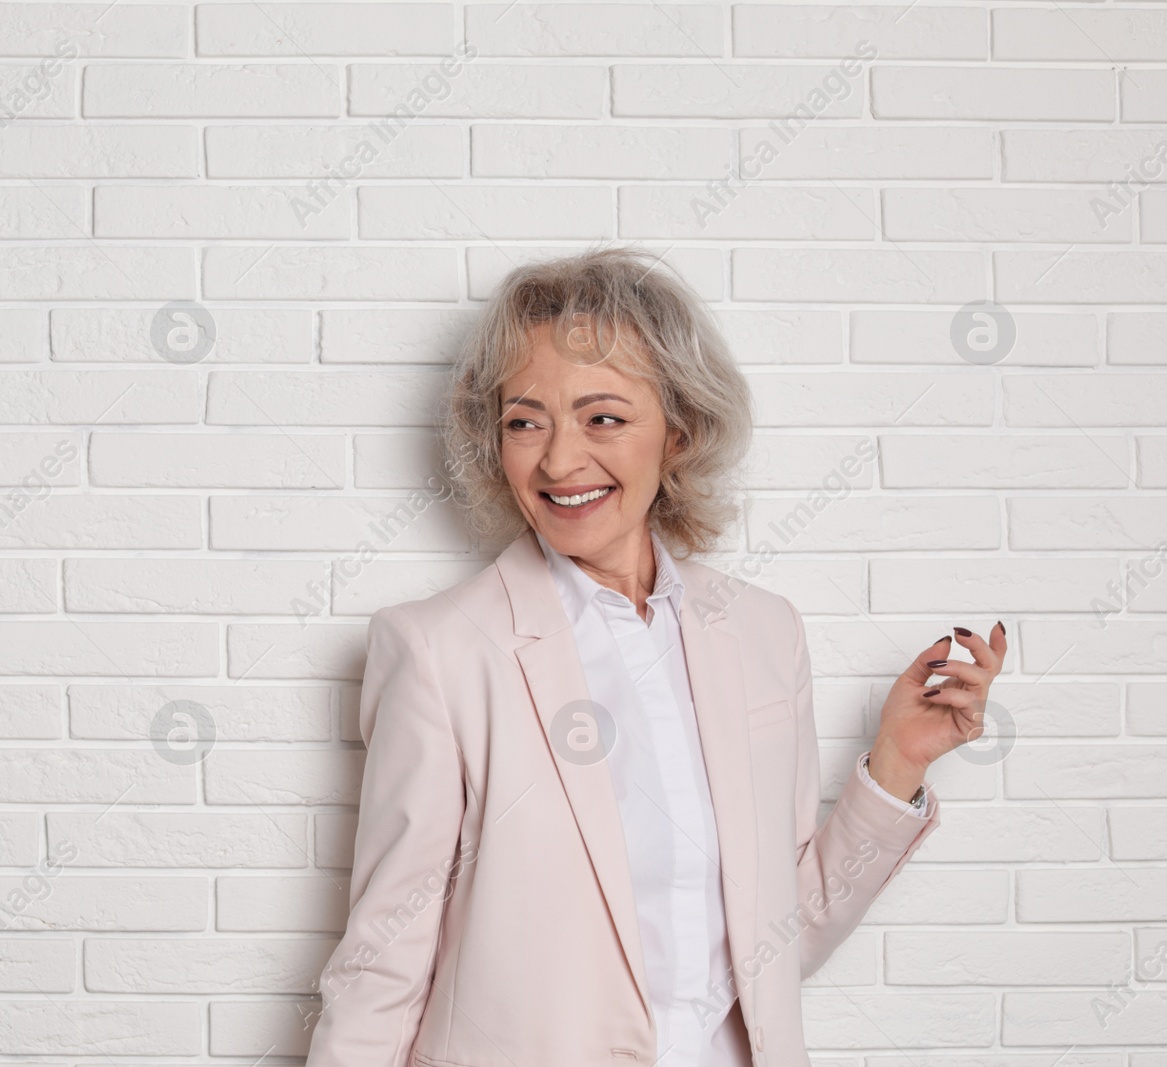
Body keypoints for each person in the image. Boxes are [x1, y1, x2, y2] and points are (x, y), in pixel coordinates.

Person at [304, 246, 1005, 1067]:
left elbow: (777, 944)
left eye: (602, 417)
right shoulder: (439, 651)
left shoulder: (763, 633)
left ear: (680, 429)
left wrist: (897, 762)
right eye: (525, 419)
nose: (559, 460)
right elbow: (381, 965)